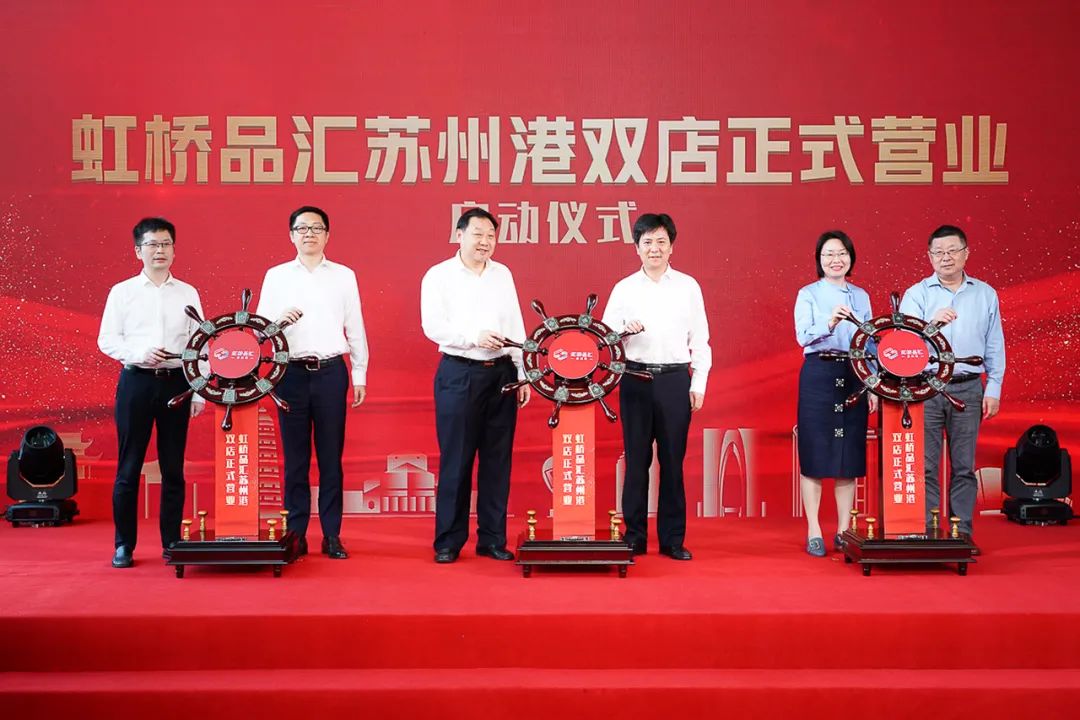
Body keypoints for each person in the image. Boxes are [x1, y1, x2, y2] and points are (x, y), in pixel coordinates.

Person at [256, 206, 369, 560]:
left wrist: (360, 372)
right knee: (296, 459)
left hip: (331, 372)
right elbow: (259, 331)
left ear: (327, 235)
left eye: (317, 228)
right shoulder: (276, 276)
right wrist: (277, 322)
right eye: (302, 228)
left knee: (331, 457)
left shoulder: (344, 276)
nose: (309, 234)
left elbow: (355, 325)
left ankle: (332, 535)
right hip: (289, 373)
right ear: (291, 235)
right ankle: (297, 533)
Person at [420, 207, 530, 564]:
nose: (485, 242)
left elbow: (515, 323)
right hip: (460, 372)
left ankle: (492, 538)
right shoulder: (438, 275)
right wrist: (473, 337)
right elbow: (432, 326)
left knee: (497, 460)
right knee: (457, 459)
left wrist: (522, 372)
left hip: (502, 374)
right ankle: (448, 541)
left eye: (491, 236)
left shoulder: (503, 274)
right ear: (460, 235)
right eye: (478, 234)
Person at [601, 213, 711, 561]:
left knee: (673, 462)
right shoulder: (624, 288)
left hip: (675, 380)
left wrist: (699, 382)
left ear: (671, 246)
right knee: (636, 461)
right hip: (635, 378)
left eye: (661, 242)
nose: (654, 248)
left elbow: (701, 339)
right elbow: (604, 336)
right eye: (647, 242)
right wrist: (624, 331)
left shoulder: (688, 287)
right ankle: (634, 536)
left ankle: (672, 539)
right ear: (636, 247)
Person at [98, 217, 205, 568]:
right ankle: (123, 545)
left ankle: (172, 541)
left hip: (177, 383)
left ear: (174, 249)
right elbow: (107, 340)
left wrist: (199, 391)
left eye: (166, 244)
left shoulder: (188, 292)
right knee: (129, 466)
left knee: (173, 467)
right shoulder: (122, 292)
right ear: (138, 251)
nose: (160, 250)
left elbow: (200, 344)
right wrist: (138, 353)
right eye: (152, 244)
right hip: (137, 382)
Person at [900, 225, 1005, 545]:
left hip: (969, 387)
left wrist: (994, 388)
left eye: (952, 250)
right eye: (938, 252)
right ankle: (930, 532)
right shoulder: (916, 294)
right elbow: (903, 346)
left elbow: (994, 344)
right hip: (927, 386)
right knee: (926, 466)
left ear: (966, 253)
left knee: (963, 467)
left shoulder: (985, 293)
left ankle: (962, 533)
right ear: (929, 256)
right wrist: (933, 325)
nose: (945, 257)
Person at [794, 230, 878, 557]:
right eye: (828, 254)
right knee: (815, 453)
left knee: (848, 454)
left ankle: (844, 529)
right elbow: (803, 336)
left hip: (855, 374)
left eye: (842, 253)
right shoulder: (808, 294)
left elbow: (870, 343)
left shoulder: (861, 296)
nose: (835, 260)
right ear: (819, 260)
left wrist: (873, 382)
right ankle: (814, 529)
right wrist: (829, 323)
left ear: (851, 258)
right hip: (819, 372)